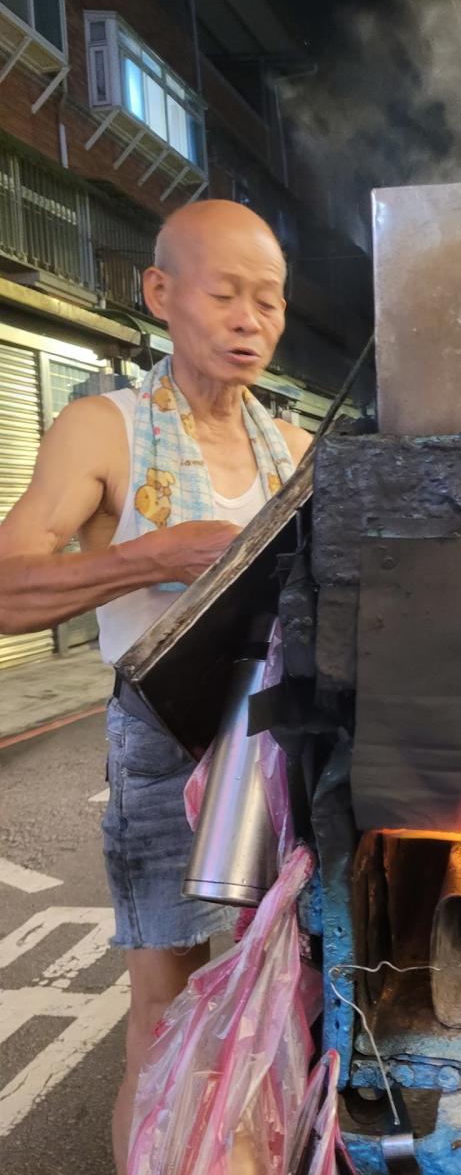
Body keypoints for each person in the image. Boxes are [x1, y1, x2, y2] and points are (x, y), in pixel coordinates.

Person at [0, 199, 312, 1173]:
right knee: (166, 1007)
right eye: (225, 293)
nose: (250, 318)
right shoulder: (106, 428)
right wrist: (153, 555)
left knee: (274, 985)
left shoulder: (293, 448)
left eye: (270, 300)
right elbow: (10, 583)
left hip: (273, 741)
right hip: (163, 737)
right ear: (161, 293)